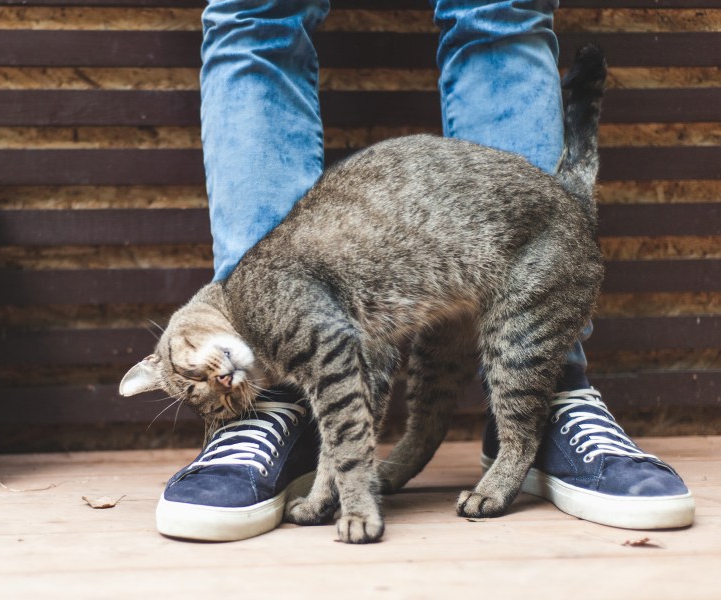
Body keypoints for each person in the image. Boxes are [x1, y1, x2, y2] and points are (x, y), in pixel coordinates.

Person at [154, 0, 694, 542]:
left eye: (196, 378)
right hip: (438, 269)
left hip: (520, 244)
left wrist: (355, 490)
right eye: (213, 394)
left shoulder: (259, 296)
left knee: (497, 9)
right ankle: (283, 421)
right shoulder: (261, 321)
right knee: (256, 11)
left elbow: (338, 365)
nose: (217, 381)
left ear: (171, 337)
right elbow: (353, 369)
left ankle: (538, 419)